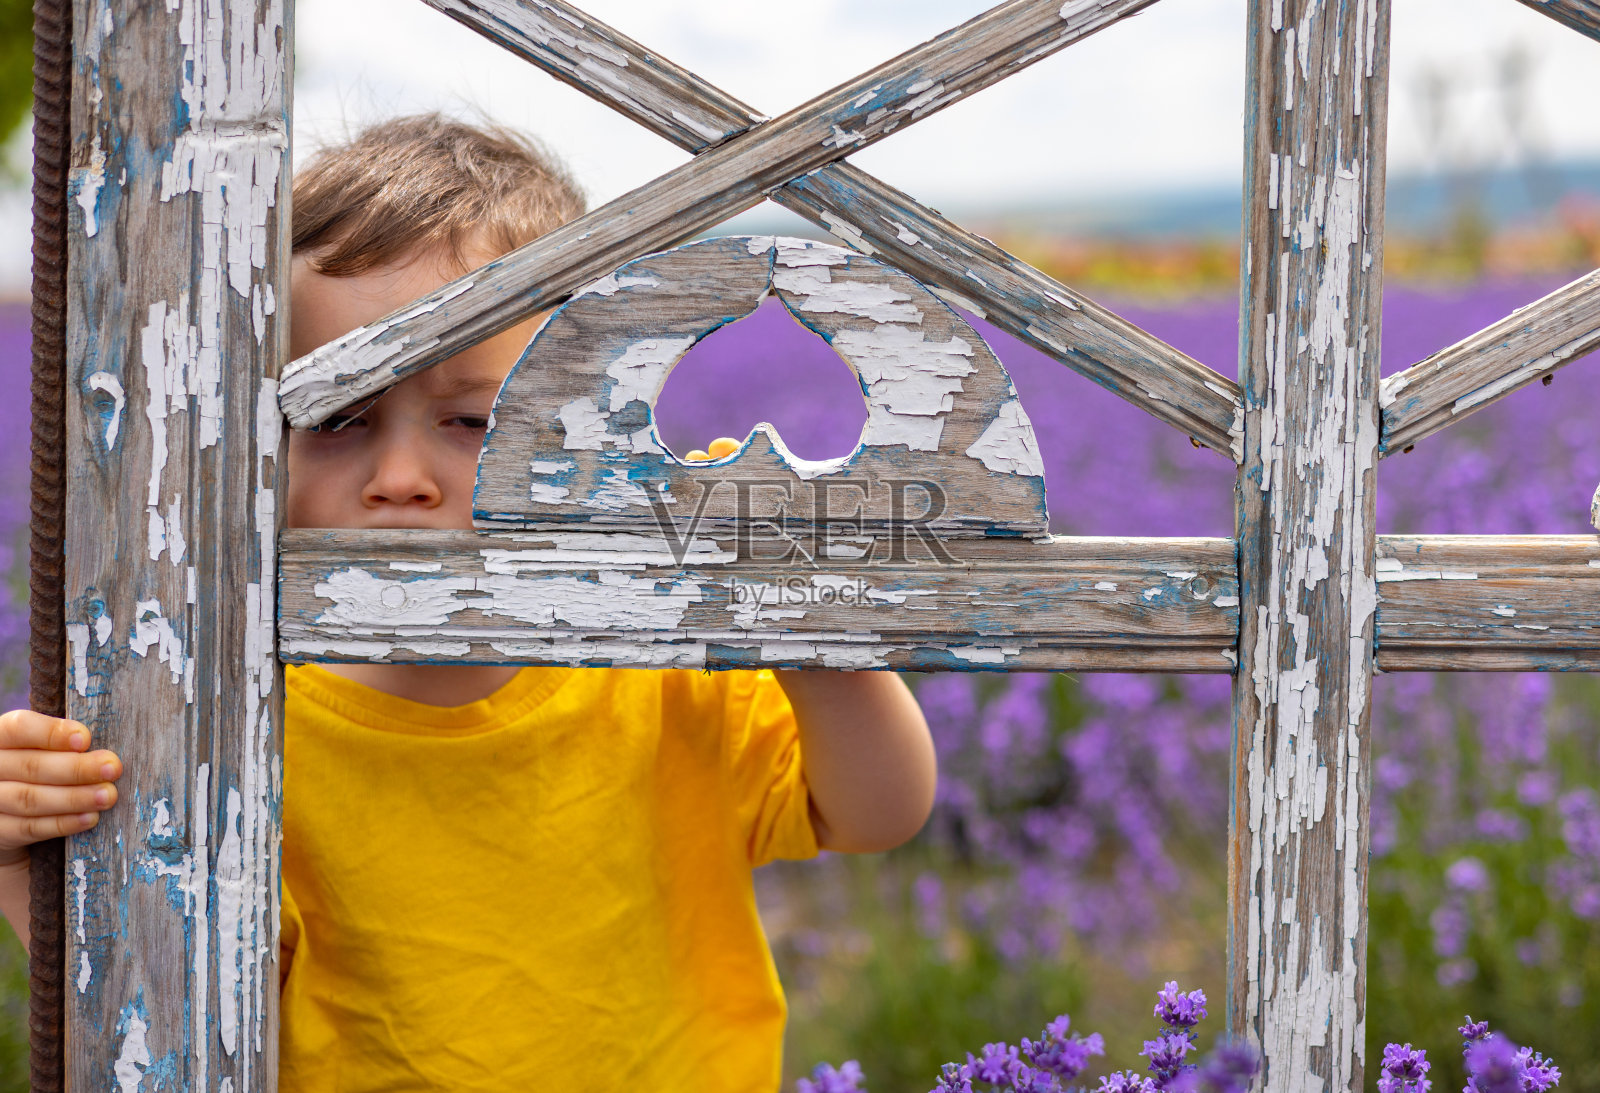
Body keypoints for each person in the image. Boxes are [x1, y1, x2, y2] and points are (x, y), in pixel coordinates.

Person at [0, 115, 935, 1091]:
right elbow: (164, 1006)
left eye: (471, 420)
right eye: (336, 418)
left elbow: (874, 811)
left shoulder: (659, 659)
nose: (399, 476)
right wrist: (25, 859)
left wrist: (804, 633)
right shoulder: (243, 719)